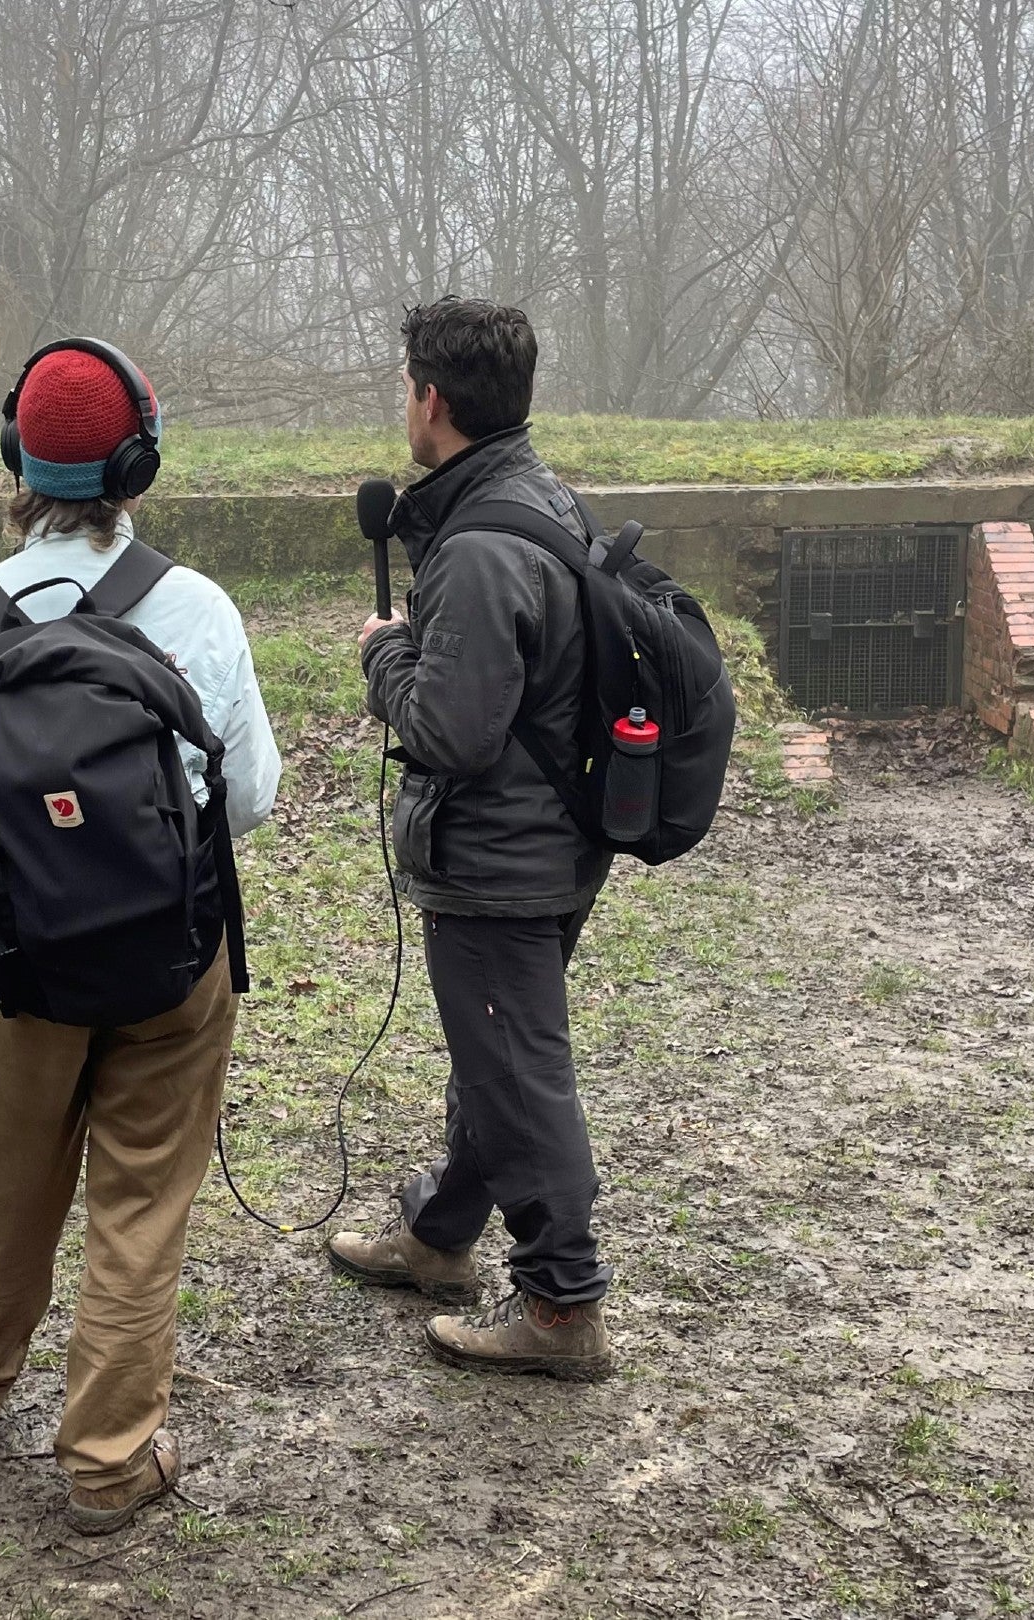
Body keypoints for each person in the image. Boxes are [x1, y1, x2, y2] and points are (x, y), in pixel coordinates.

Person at [0, 341, 282, 1534]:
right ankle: (109, 1461)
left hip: (20, 956)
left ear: (18, 459)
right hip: (174, 953)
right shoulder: (196, 609)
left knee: (5, 1174)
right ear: (137, 465)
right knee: (142, 1202)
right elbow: (248, 797)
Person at [324, 297, 618, 1381]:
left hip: (501, 858)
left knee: (518, 1076)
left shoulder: (483, 546)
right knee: (494, 1059)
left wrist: (384, 653)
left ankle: (562, 1308)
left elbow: (453, 730)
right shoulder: (541, 498)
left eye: (407, 387)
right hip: (551, 836)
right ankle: (441, 1237)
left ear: (431, 399)